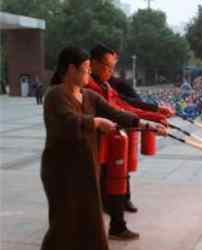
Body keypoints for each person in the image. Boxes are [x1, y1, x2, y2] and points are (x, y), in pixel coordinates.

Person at [40, 47, 167, 250]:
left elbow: (116, 113)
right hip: (61, 172)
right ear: (72, 69)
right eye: (86, 69)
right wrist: (97, 122)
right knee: (63, 224)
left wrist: (147, 125)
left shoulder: (89, 95)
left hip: (87, 169)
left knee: (92, 223)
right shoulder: (55, 95)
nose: (89, 74)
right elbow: (69, 122)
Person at [86, 44, 170, 240]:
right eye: (108, 66)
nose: (111, 71)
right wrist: (151, 121)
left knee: (115, 184)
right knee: (95, 190)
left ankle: (116, 225)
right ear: (94, 63)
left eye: (113, 66)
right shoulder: (90, 88)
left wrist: (155, 114)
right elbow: (116, 112)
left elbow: (124, 106)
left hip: (109, 146)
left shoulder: (105, 86)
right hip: (91, 148)